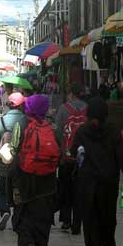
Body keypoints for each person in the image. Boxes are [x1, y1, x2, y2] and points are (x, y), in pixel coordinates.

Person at [71, 97, 123, 246]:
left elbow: (72, 150)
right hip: (109, 181)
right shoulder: (113, 131)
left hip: (87, 180)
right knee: (107, 215)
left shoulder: (83, 131)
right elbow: (120, 155)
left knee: (90, 215)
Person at [11, 94, 61, 246]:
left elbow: (13, 149)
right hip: (47, 180)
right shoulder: (52, 127)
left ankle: (27, 245)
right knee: (43, 217)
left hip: (25, 177)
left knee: (23, 213)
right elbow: (59, 151)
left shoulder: (22, 124)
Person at [53, 82, 88, 233]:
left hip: (66, 157)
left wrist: (62, 149)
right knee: (80, 190)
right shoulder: (88, 109)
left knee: (65, 188)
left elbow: (58, 132)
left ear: (71, 94)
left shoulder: (63, 109)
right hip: (83, 158)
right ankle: (77, 223)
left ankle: (66, 220)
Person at [0, 92, 27, 231]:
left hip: (5, 159)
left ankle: (4, 210)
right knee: (18, 189)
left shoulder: (0, 120)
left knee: (3, 187)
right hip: (21, 160)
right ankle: (17, 218)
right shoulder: (26, 120)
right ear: (21, 105)